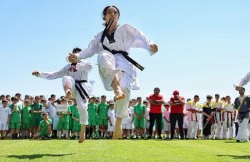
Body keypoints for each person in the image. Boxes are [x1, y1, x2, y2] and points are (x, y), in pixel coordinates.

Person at [68, 6, 158, 140]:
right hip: (108, 60)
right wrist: (77, 56)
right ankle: (116, 88)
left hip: (124, 61)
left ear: (118, 16)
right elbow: (90, 50)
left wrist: (151, 46)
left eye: (115, 12)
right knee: (103, 55)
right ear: (104, 17)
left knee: (125, 88)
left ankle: (119, 122)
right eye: (109, 12)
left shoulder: (126, 29)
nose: (112, 14)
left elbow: (141, 37)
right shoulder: (99, 36)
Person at [32, 47, 92, 143]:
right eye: (73, 55)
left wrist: (78, 65)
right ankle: (67, 92)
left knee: (82, 107)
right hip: (72, 87)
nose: (74, 57)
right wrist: (40, 74)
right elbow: (54, 74)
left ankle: (82, 132)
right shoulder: (67, 67)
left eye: (77, 55)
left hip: (83, 87)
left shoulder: (85, 64)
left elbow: (89, 67)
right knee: (66, 77)